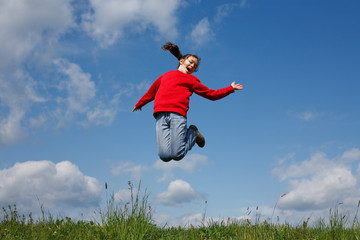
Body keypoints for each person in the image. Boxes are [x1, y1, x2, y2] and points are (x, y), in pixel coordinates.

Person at [133, 42, 243, 162]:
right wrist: (140, 104)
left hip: (177, 115)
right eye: (190, 61)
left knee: (177, 154)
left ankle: (193, 133)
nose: (192, 65)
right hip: (160, 115)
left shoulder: (192, 80)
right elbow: (151, 92)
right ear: (181, 61)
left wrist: (230, 89)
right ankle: (190, 135)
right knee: (164, 156)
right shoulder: (166, 75)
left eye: (195, 66)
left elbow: (211, 94)